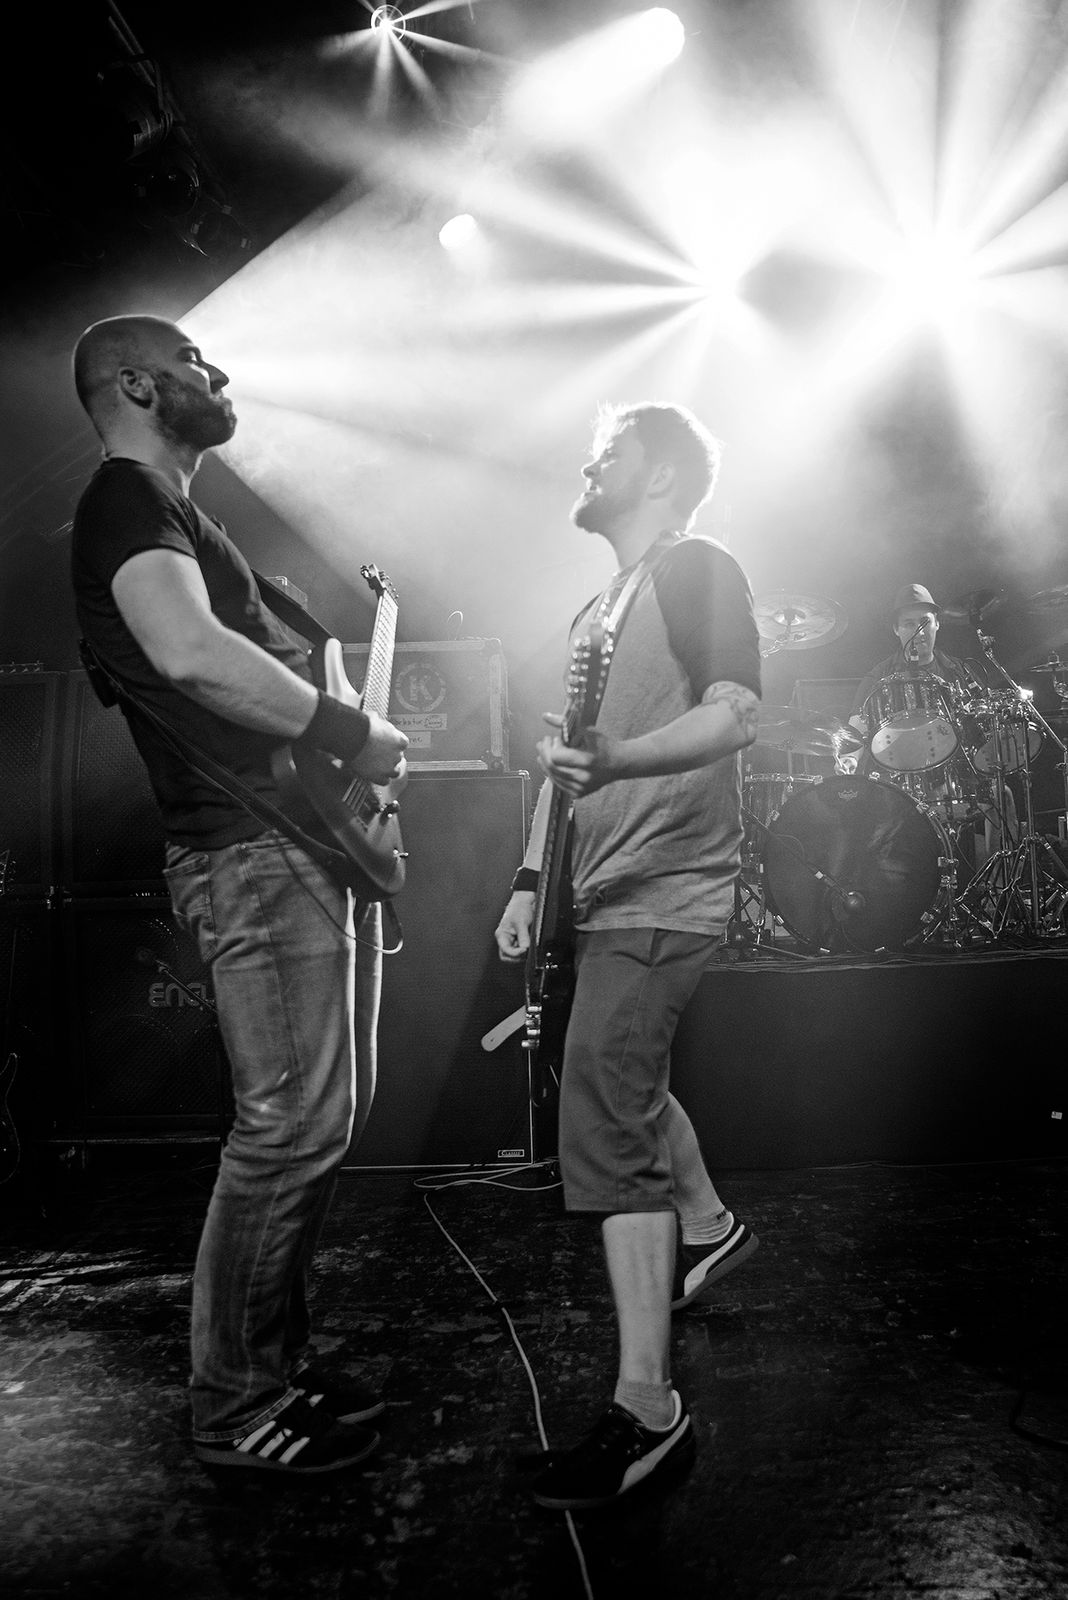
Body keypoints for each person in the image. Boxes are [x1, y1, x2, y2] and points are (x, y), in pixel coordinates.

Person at [69, 314, 409, 1476]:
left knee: (321, 1123)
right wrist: (355, 734)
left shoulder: (179, 513)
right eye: (192, 362)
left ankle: (276, 1367)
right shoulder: (126, 499)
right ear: (134, 383)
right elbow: (191, 654)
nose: (217, 374)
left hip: (295, 843)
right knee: (287, 1127)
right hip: (248, 851)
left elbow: (252, 666)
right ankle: (234, 1409)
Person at [494, 401, 762, 1511]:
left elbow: (735, 715)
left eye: (612, 451)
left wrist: (618, 759)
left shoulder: (698, 567)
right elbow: (569, 767)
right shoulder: (595, 609)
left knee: (607, 1098)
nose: (590, 463)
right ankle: (708, 1225)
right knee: (622, 1080)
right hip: (598, 891)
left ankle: (649, 1411)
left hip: (669, 885)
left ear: (659, 477)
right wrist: (529, 878)